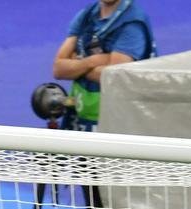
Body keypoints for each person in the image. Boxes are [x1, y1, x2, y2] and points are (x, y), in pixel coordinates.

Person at [52, 0, 154, 131]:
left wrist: (76, 66)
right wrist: (92, 61)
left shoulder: (132, 25)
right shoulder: (87, 15)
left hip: (115, 120)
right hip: (81, 117)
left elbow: (114, 77)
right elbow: (58, 69)